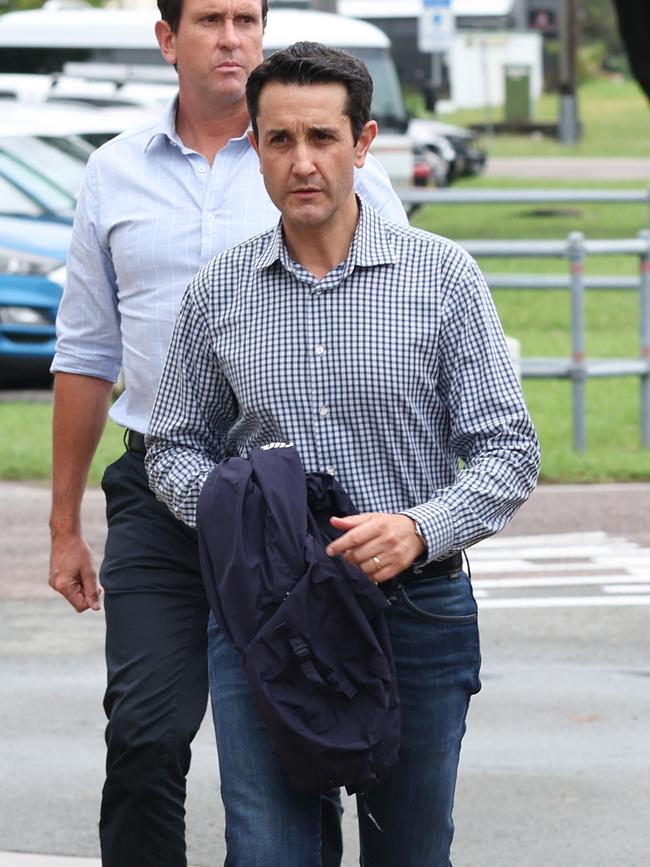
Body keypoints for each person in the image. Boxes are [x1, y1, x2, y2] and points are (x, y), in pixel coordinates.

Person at [145, 41, 541, 867]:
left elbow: (508, 448)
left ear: (361, 144)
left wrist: (420, 529)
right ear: (255, 145)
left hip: (417, 610)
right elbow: (173, 443)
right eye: (280, 139)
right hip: (267, 613)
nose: (303, 162)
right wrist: (244, 520)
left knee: (410, 851)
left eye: (323, 138)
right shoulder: (218, 292)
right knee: (269, 851)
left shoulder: (443, 278)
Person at [47, 0, 407, 862]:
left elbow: (397, 310)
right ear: (169, 41)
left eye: (248, 18)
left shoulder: (316, 152)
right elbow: (87, 351)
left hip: (293, 504)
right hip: (159, 494)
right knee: (145, 734)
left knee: (301, 737)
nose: (233, 38)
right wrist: (62, 525)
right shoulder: (114, 171)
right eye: (211, 19)